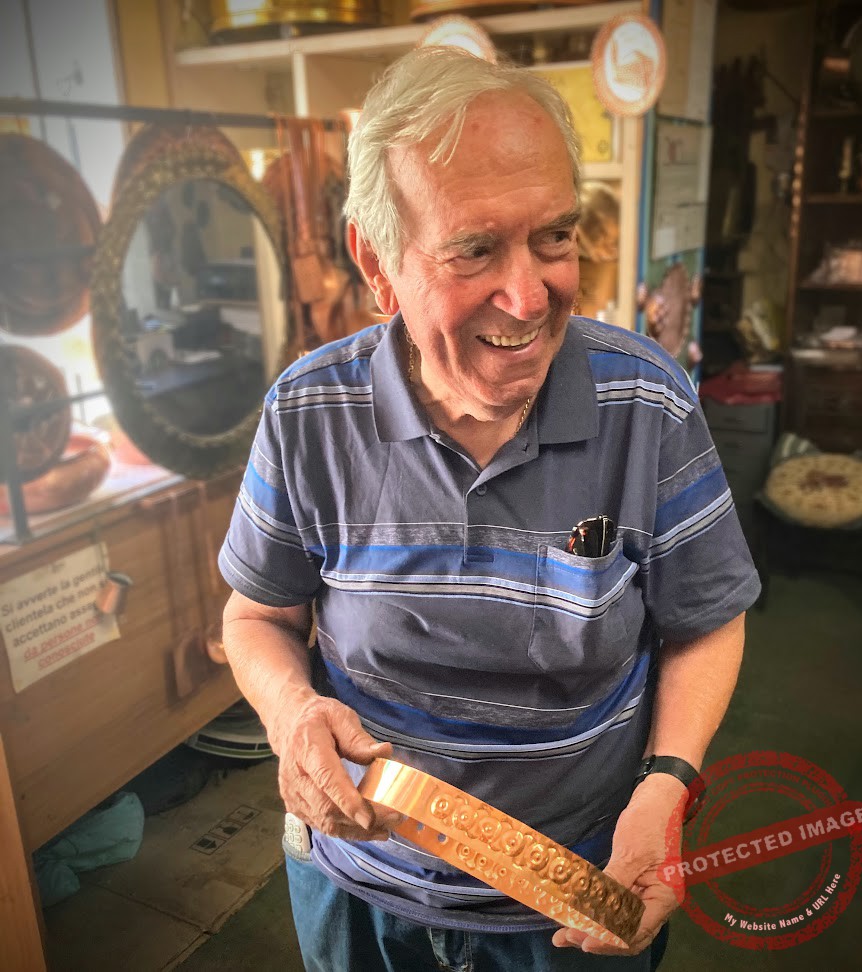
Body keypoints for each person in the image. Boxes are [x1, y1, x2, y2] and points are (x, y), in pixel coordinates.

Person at [218, 47, 760, 972]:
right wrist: (290, 711)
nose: (529, 296)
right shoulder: (309, 414)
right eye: (474, 249)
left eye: (553, 236)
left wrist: (666, 786)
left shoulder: (646, 403)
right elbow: (256, 616)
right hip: (361, 884)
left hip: (578, 887)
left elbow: (705, 620)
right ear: (376, 260)